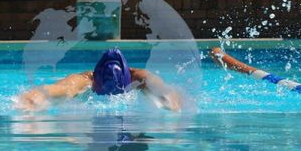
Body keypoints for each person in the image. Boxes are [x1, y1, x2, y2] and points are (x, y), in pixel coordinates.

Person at [17, 48, 182, 112]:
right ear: (95, 82)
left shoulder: (140, 78)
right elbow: (56, 89)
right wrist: (31, 100)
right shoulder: (82, 81)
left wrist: (170, 102)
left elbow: (165, 91)